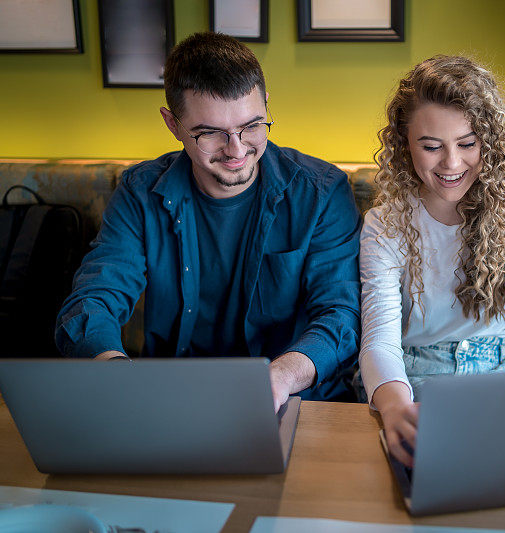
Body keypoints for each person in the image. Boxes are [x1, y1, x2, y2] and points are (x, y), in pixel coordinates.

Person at [55, 32, 361, 409]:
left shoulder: (321, 192)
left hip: (297, 400)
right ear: (173, 124)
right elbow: (93, 299)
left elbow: (341, 314)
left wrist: (282, 377)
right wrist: (115, 373)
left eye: (252, 126)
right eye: (210, 133)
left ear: (265, 105)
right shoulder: (140, 191)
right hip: (171, 400)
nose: (237, 150)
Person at [358, 56, 505, 467]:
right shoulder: (384, 224)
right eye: (431, 146)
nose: (451, 164)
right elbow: (379, 338)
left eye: (467, 143)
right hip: (411, 386)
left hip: (502, 379)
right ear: (403, 144)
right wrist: (394, 409)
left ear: (489, 139)